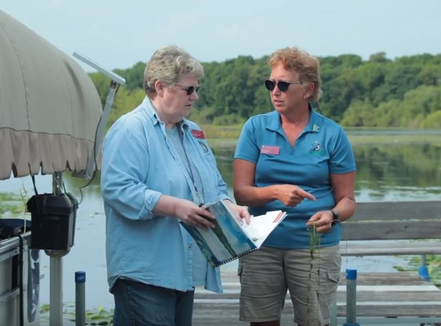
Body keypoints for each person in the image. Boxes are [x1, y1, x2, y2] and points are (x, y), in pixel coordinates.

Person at [101, 45, 249, 326]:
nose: (195, 96)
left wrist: (231, 207)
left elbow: (214, 185)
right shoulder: (130, 129)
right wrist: (175, 207)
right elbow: (117, 188)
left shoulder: (192, 132)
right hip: (144, 273)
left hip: (181, 272)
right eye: (188, 89)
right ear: (160, 87)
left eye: (196, 89)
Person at [233, 47, 356, 326]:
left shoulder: (332, 134)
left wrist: (332, 215)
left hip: (314, 247)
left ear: (309, 89)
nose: (275, 91)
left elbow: (347, 199)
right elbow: (241, 192)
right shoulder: (255, 128)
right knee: (262, 322)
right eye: (271, 83)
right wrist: (275, 192)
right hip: (261, 245)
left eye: (284, 85)